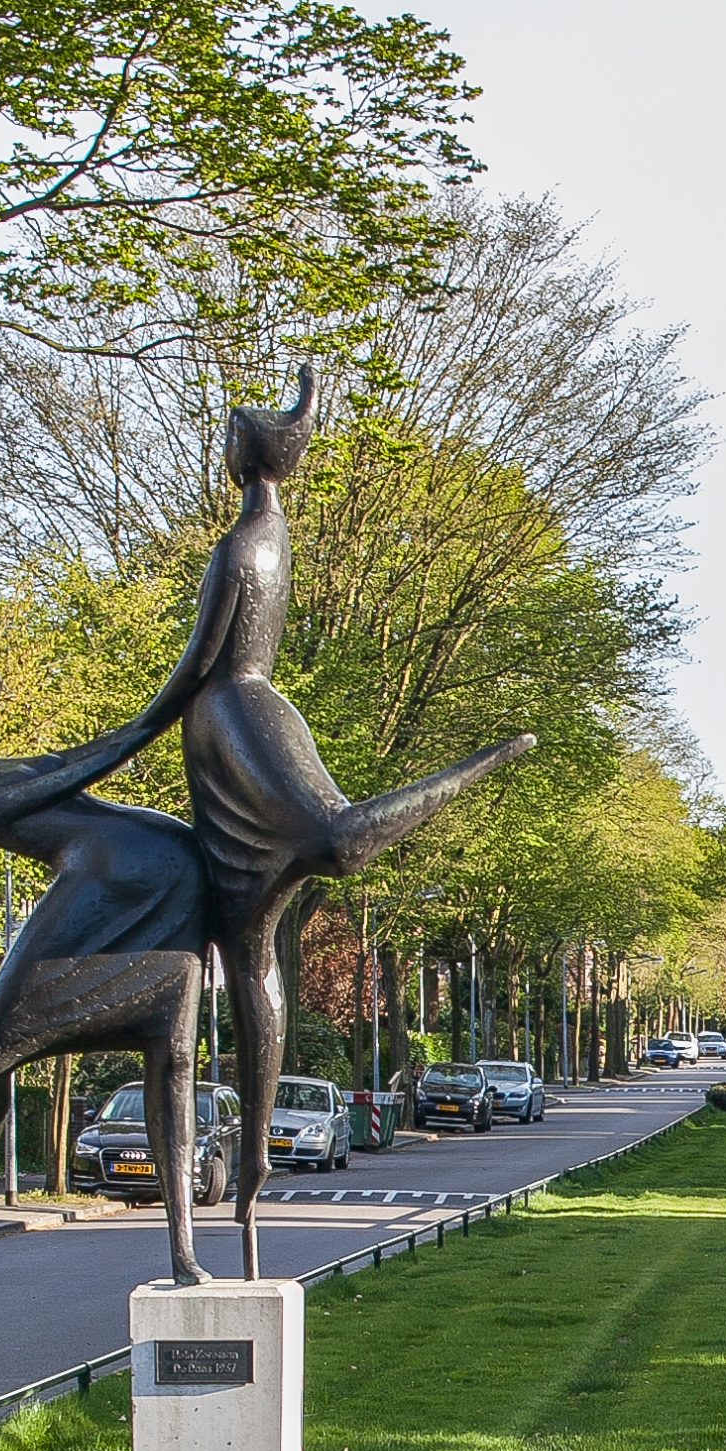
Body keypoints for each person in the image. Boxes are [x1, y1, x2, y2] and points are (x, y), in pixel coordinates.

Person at [140, 364, 533, 1272]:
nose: (224, 445)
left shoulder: (243, 542)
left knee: (328, 844)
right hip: (242, 723)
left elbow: (198, 665)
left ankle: (480, 763)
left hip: (234, 719)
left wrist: (115, 743)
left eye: (232, 436)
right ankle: (247, 1182)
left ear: (245, 452)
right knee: (251, 953)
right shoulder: (271, 532)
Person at [0, 658, 215, 1282]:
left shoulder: (8, 767)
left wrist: (163, 712)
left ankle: (184, 1249)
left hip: (155, 880)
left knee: (173, 1060)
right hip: (113, 884)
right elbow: (86, 767)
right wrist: (158, 714)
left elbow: (85, 758)